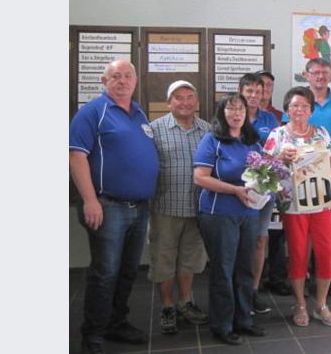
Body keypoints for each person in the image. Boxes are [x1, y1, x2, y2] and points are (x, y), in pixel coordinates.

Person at [69, 60, 159, 354]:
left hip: (139, 207)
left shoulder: (139, 113)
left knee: (128, 270)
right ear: (103, 81)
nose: (122, 81)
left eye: (128, 75)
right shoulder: (92, 112)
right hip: (107, 206)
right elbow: (76, 156)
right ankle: (92, 337)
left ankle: (116, 323)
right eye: (115, 76)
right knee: (105, 273)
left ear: (135, 80)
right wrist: (90, 200)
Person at [263, 87, 331, 327]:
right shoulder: (278, 134)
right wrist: (281, 158)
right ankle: (299, 303)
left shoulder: (321, 133)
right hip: (293, 203)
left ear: (311, 110)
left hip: (321, 201)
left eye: (305, 106)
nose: (300, 110)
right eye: (295, 105)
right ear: (287, 109)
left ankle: (321, 303)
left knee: (326, 253)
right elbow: (263, 166)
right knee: (298, 253)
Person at [193, 93, 266, 345]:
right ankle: (222, 325)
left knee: (244, 268)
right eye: (231, 109)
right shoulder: (212, 140)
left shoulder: (252, 142)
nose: (236, 114)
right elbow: (200, 178)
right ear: (221, 113)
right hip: (219, 213)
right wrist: (235, 190)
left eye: (241, 109)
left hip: (249, 213)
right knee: (223, 270)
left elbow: (262, 175)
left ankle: (243, 320)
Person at [284, 58, 331, 296]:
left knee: (328, 228)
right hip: (298, 181)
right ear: (307, 74)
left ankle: (328, 274)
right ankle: (305, 274)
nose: (320, 76)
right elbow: (287, 141)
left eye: (325, 72)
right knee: (301, 235)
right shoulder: (297, 100)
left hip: (328, 177)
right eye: (315, 72)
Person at [148, 81, 210, 335]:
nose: (185, 102)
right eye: (178, 97)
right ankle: (167, 307)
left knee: (189, 260)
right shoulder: (154, 130)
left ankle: (185, 303)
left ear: (197, 102)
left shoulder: (207, 130)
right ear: (168, 103)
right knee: (163, 260)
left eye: (189, 97)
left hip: (197, 208)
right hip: (165, 207)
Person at [238, 73, 280, 314]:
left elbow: (275, 149)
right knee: (238, 241)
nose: (254, 96)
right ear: (241, 92)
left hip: (264, 189)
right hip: (237, 189)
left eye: (258, 91)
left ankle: (253, 291)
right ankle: (238, 291)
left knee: (260, 239)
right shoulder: (233, 114)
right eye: (249, 91)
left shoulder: (269, 119)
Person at [256, 70, 291, 297]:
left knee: (278, 232)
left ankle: (277, 277)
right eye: (261, 85)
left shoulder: (279, 116)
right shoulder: (244, 114)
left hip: (278, 181)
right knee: (256, 234)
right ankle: (255, 280)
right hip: (253, 182)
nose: (265, 89)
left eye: (269, 85)